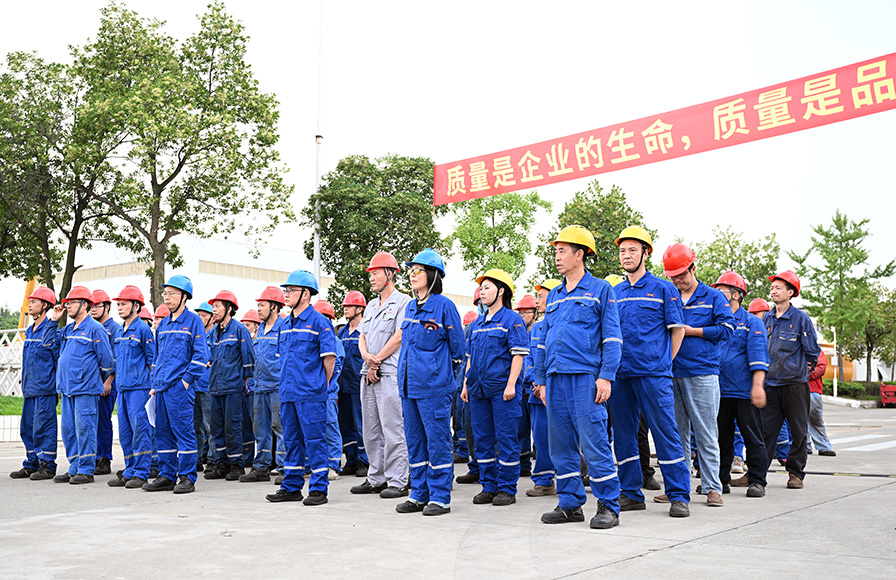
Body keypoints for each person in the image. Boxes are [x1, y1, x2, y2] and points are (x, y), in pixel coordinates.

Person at [533, 225, 623, 529]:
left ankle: (608, 505)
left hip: (585, 377)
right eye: (556, 251)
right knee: (560, 446)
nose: (557, 257)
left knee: (595, 442)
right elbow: (543, 341)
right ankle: (570, 504)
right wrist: (541, 380)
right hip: (555, 379)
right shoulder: (555, 296)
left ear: (580, 254)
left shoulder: (601, 289)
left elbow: (612, 337)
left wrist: (606, 376)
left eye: (562, 251)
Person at [610, 226, 690, 518]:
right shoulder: (614, 292)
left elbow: (677, 330)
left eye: (632, 250)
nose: (626, 255)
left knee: (666, 432)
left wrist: (664, 362)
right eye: (622, 251)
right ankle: (631, 493)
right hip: (621, 376)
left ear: (646, 253)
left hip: (654, 375)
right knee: (624, 435)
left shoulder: (663, 289)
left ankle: (679, 495)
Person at [663, 243, 734, 508]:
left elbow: (727, 329)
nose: (678, 281)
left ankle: (712, 487)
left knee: (705, 432)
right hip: (672, 373)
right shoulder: (669, 296)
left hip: (702, 373)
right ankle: (678, 488)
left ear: (693, 268)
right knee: (676, 434)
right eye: (673, 277)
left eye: (681, 275)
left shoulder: (713, 297)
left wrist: (693, 331)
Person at [394, 249, 465, 516]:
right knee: (415, 442)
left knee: (437, 442)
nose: (412, 275)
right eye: (411, 271)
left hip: (434, 388)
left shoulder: (444, 307)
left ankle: (440, 496)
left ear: (433, 275)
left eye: (418, 271)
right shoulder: (411, 307)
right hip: (409, 388)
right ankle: (419, 493)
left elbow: (458, 350)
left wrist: (442, 377)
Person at [265, 270, 336, 505]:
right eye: (286, 290)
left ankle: (318, 489)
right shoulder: (284, 325)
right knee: (292, 441)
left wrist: (319, 385)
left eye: (291, 290)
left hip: (310, 394)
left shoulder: (320, 322)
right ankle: (292, 486)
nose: (286, 294)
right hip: (288, 393)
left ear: (306, 294)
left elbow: (329, 359)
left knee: (315, 440)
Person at [462, 269, 529, 506]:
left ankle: (507, 488)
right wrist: (466, 384)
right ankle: (488, 486)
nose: (482, 292)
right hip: (478, 390)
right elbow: (470, 358)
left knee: (506, 438)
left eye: (487, 287)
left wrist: (511, 385)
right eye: (481, 288)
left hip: (502, 391)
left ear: (501, 291)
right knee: (482, 439)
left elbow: (518, 355)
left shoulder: (512, 320)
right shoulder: (477, 324)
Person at [352, 252, 411, 499]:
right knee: (371, 429)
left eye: (375, 273)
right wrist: (367, 357)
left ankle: (398, 480)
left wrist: (376, 360)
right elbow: (362, 336)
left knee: (392, 428)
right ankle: (376, 477)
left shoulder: (403, 302)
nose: (372, 277)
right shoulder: (371, 306)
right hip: (368, 372)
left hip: (388, 373)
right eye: (371, 273)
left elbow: (399, 336)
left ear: (390, 274)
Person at [145, 275, 209, 494]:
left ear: (184, 297)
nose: (167, 297)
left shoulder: (194, 321)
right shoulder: (163, 324)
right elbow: (157, 358)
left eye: (172, 294)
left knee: (184, 432)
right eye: (166, 293)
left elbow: (200, 357)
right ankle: (167, 475)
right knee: (162, 433)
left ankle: (187, 477)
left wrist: (185, 382)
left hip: (179, 389)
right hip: (161, 389)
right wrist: (155, 385)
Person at [711, 271, 769, 499]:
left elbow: (758, 356)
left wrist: (758, 386)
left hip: (744, 391)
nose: (717, 295)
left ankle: (757, 480)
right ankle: (720, 480)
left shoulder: (752, 323)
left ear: (736, 294)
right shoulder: (717, 321)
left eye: (722, 291)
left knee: (752, 436)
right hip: (720, 390)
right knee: (721, 439)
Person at [762, 270, 821, 490]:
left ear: (790, 292)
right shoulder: (767, 318)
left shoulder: (800, 319)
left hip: (794, 385)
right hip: (770, 385)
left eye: (778, 288)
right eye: (772, 287)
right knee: (766, 432)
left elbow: (812, 352)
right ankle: (757, 474)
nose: (773, 291)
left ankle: (795, 474)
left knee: (798, 431)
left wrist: (798, 372)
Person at [53, 286, 114, 485]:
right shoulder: (68, 329)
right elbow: (49, 344)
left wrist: (93, 377)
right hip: (67, 389)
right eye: (67, 303)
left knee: (85, 429)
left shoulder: (95, 329)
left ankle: (86, 469)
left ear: (85, 304)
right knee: (69, 431)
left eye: (72, 302)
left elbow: (107, 361)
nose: (68, 306)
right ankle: (74, 467)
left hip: (85, 389)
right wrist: (54, 321)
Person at [107, 286, 156, 489]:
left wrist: (154, 387)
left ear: (136, 306)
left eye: (124, 304)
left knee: (140, 431)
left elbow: (152, 361)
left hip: (139, 390)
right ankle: (129, 471)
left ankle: (142, 473)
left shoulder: (143, 329)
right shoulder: (120, 331)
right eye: (118, 304)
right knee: (126, 434)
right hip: (123, 389)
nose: (119, 307)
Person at [10, 287, 61, 481]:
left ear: (45, 305)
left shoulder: (51, 330)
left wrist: (55, 386)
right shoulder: (30, 330)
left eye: (34, 301)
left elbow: (58, 360)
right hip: (30, 388)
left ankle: (47, 465)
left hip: (45, 389)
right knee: (27, 427)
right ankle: (31, 463)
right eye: (29, 301)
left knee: (44, 427)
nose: (29, 305)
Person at [205, 290, 255, 482]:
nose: (214, 310)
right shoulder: (212, 333)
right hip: (215, 387)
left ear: (229, 309)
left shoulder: (239, 330)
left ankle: (236, 465)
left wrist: (247, 380)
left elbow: (248, 356)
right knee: (216, 428)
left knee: (232, 427)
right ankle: (222, 463)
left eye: (217, 306)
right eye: (213, 307)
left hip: (233, 387)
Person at [240, 287, 286, 482]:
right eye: (258, 305)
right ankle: (261, 467)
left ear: (274, 307)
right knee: (260, 429)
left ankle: (284, 468)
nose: (258, 309)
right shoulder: (260, 329)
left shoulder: (284, 327)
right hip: (260, 387)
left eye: (262, 305)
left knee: (280, 428)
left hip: (277, 387)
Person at [525, 279, 560, 497]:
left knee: (565, 437)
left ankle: (572, 477)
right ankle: (544, 480)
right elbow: (529, 358)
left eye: (541, 296)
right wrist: (535, 381)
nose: (537, 301)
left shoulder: (563, 323)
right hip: (538, 393)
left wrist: (547, 381)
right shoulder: (536, 328)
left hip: (559, 389)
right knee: (540, 437)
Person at [337, 291, 370, 477]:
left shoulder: (366, 331)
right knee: (346, 425)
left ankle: (365, 461)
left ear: (359, 309)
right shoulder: (342, 332)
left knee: (361, 426)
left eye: (349, 306)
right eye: (345, 306)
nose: (346, 309)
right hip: (343, 387)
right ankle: (351, 460)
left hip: (359, 387)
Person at [314, 299, 345, 481]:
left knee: (330, 428)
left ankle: (333, 465)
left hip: (327, 393)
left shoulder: (334, 341)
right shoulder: (314, 339)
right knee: (315, 429)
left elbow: (335, 367)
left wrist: (323, 383)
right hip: (313, 393)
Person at [90, 289, 121, 476]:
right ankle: (92, 456)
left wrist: (109, 381)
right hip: (91, 383)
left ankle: (104, 459)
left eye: (97, 306)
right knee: (91, 421)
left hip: (106, 382)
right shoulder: (91, 327)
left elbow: (116, 358)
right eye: (91, 306)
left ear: (107, 307)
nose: (93, 309)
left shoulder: (114, 329)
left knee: (103, 421)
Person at [514, 293, 538, 477]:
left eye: (527, 312)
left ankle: (545, 468)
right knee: (521, 430)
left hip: (536, 389)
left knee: (539, 431)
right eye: (520, 312)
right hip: (521, 390)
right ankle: (523, 465)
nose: (523, 315)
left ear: (535, 313)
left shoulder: (540, 331)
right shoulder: (516, 333)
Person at [194, 301, 215, 473]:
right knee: (196, 427)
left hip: (209, 386)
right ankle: (197, 459)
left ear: (212, 318)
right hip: (195, 386)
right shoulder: (197, 335)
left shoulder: (215, 335)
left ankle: (213, 460)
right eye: (199, 315)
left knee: (210, 426)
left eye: (204, 315)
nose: (201, 318)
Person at [807, 351, 835, 456]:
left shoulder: (816, 351)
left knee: (816, 419)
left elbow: (821, 369)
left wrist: (804, 373)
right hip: (798, 390)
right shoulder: (796, 349)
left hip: (813, 391)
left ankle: (823, 446)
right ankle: (805, 446)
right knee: (799, 420)